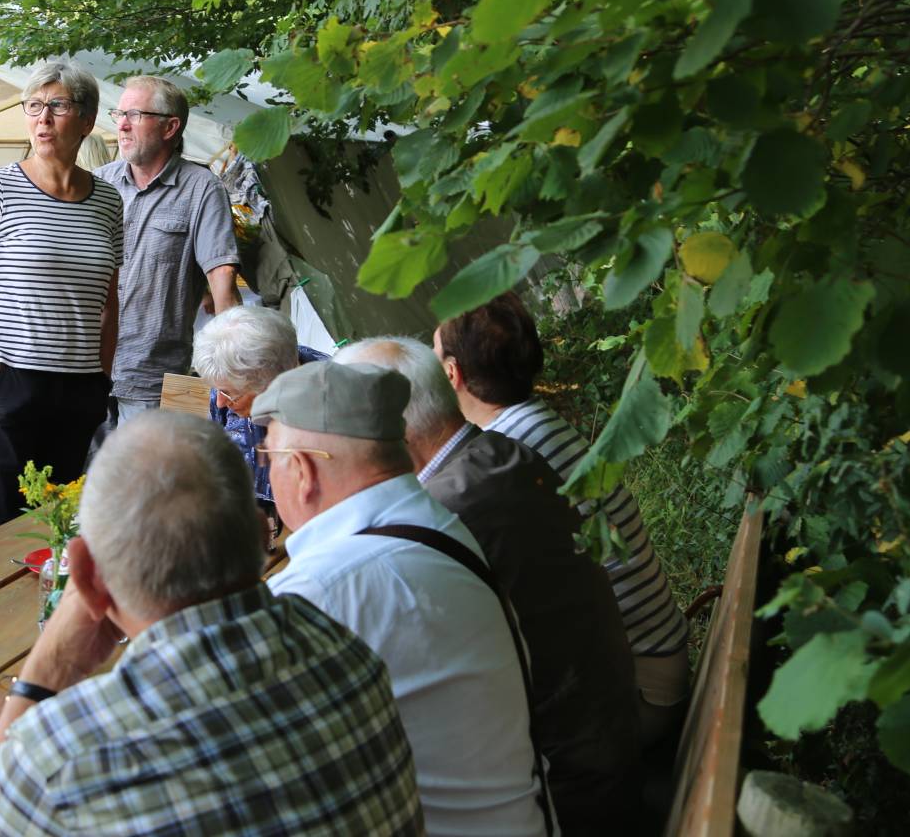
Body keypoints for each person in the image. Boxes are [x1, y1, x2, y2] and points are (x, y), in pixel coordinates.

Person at [0, 412, 423, 836]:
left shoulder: (66, 754)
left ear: (87, 576)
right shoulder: (354, 660)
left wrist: (42, 677)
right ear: (264, 531)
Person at [337, 335, 638, 835]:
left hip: (570, 786)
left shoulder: (443, 514)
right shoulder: (499, 452)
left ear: (385, 428)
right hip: (606, 735)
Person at [259, 360, 553, 836]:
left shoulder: (326, 587)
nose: (267, 474)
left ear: (301, 470)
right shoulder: (434, 525)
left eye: (266, 457)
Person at [436, 294, 690, 746]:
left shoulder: (506, 455)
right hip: (660, 656)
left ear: (452, 374)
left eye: (434, 356)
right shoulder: (534, 425)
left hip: (642, 689)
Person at [0, 60, 123, 537]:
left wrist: (100, 378)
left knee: (57, 529)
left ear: (85, 120)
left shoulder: (107, 200)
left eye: (57, 106)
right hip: (9, 385)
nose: (42, 118)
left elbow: (108, 302)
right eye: (34, 106)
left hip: (79, 392)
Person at [94, 75, 240, 425]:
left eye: (135, 115)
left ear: (170, 127)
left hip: (160, 378)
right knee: (82, 478)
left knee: (157, 477)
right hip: (89, 369)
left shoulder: (202, 188)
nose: (123, 125)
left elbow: (222, 279)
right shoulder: (98, 183)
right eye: (119, 114)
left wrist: (234, 372)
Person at [191, 304, 328, 539]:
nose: (221, 403)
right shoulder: (228, 378)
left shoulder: (332, 400)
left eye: (230, 393)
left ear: (275, 383)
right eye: (218, 391)